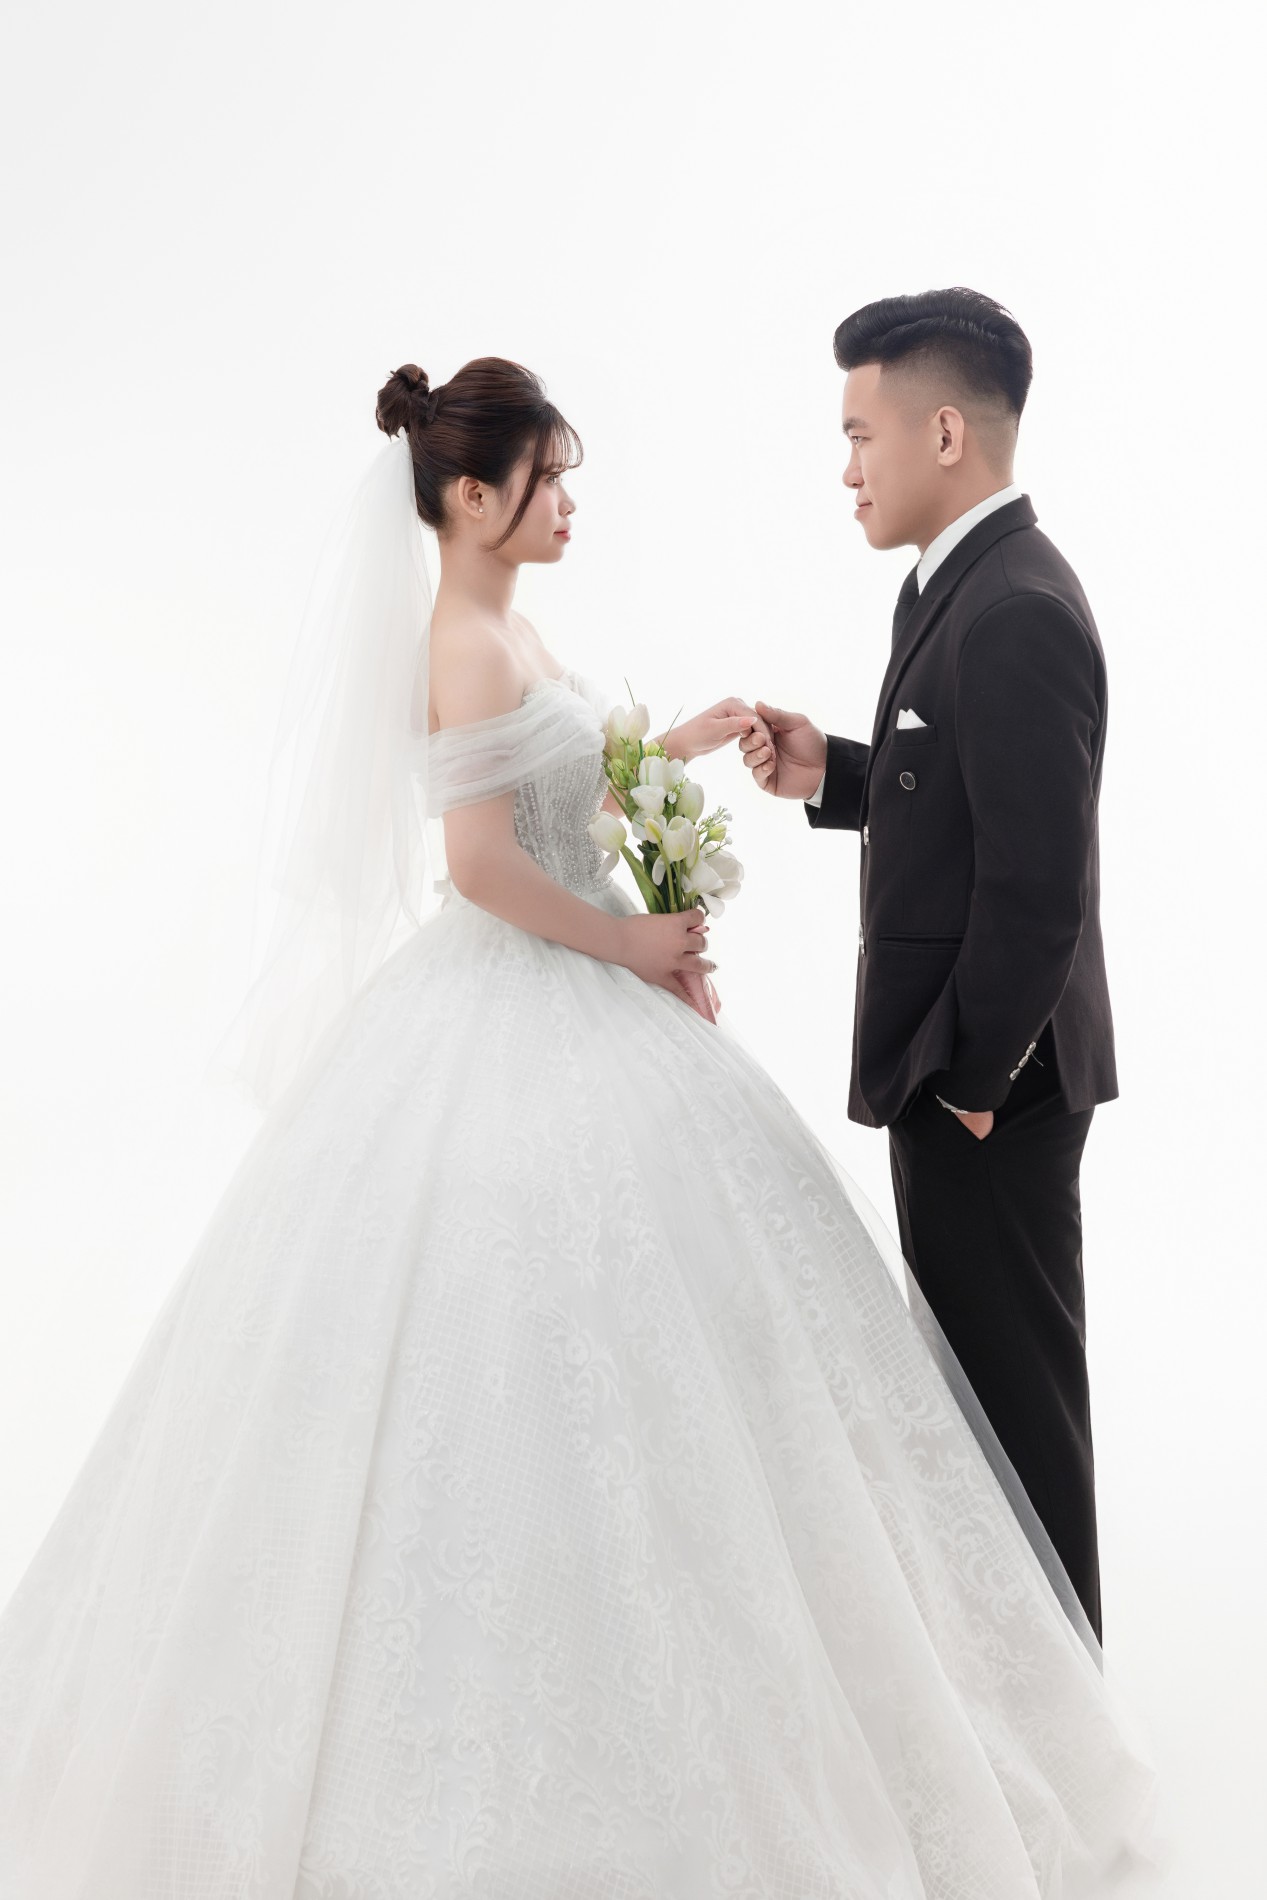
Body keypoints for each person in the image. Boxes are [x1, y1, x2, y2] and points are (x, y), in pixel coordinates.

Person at [0, 355, 1163, 1898]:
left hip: (616, 991)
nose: (567, 502)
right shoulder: (459, 638)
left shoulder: (517, 625)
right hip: (524, 988)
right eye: (548, 479)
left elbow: (570, 785)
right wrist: (629, 941)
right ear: (470, 495)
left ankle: (999, 1669)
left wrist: (672, 756)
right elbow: (481, 863)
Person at [740, 287, 1118, 1648]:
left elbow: (1038, 890)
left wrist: (966, 1083)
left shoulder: (1014, 608)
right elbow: (954, 793)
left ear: (944, 432)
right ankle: (1015, 1708)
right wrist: (832, 774)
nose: (847, 469)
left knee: (1014, 1429)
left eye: (860, 434)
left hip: (989, 1088)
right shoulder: (959, 583)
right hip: (961, 1074)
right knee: (971, 1425)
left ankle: (1064, 1726)